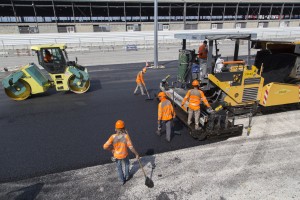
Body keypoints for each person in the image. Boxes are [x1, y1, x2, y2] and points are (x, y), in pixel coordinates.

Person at [103, 120, 139, 185]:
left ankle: (122, 180)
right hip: (125, 155)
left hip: (116, 156)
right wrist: (136, 154)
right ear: (124, 128)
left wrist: (111, 149)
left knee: (119, 168)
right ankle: (127, 176)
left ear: (115, 129)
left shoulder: (113, 137)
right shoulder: (126, 136)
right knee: (127, 164)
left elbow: (105, 146)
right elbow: (131, 147)